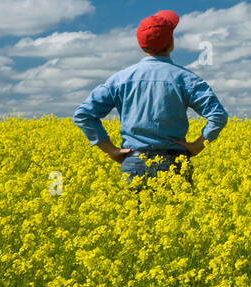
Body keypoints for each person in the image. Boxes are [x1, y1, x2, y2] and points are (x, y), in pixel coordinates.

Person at [73, 10, 227, 187]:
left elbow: (83, 115)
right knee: (178, 213)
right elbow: (218, 116)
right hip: (175, 163)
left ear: (141, 45)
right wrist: (198, 145)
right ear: (171, 43)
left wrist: (110, 150)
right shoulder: (186, 79)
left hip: (134, 162)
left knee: (136, 215)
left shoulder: (121, 79)